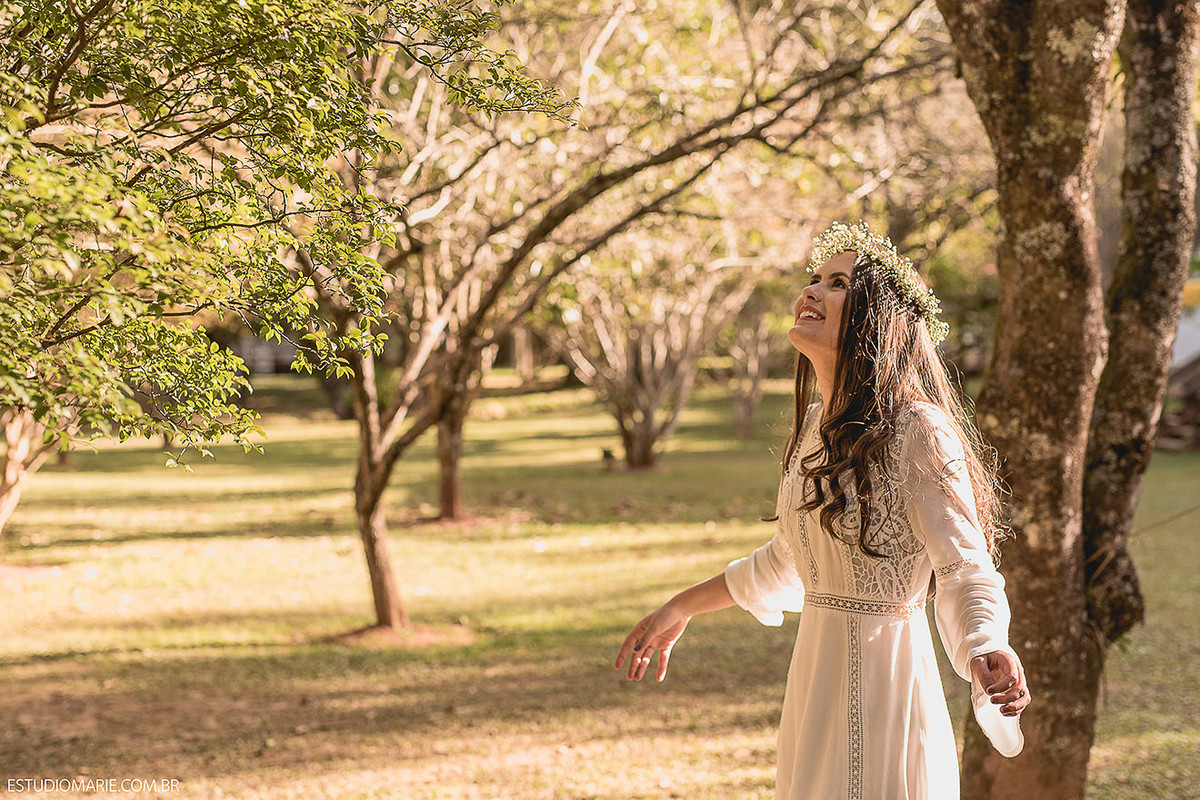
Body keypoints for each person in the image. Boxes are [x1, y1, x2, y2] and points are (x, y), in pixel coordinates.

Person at [613, 221, 1031, 800]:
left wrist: (987, 642)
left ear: (878, 319)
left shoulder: (920, 430)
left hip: (889, 688)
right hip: (815, 687)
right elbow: (790, 563)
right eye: (814, 279)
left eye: (837, 283)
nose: (811, 291)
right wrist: (679, 608)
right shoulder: (812, 432)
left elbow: (964, 566)